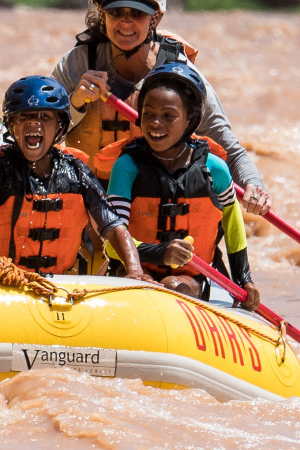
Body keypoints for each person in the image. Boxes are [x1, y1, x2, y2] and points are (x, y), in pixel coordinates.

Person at [51, 0, 273, 215]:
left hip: (155, 203)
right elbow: (40, 133)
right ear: (102, 13)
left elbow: (229, 149)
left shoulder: (181, 72)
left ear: (156, 17)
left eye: (137, 13)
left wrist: (253, 185)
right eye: (116, 12)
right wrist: (76, 103)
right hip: (92, 201)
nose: (125, 23)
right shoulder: (77, 63)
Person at [100, 63, 258, 309]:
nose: (155, 123)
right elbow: (112, 242)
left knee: (174, 285)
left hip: (190, 278)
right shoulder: (127, 166)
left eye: (168, 116)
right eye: (149, 114)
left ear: (190, 119)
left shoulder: (214, 169)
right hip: (133, 270)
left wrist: (243, 280)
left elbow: (232, 224)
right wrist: (162, 252)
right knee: (148, 286)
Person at [0, 76, 145, 278]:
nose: (34, 123)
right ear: (11, 125)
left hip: (60, 283)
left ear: (60, 126)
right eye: (23, 117)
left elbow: (114, 226)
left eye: (45, 117)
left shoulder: (76, 172)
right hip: (4, 279)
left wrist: (134, 269)